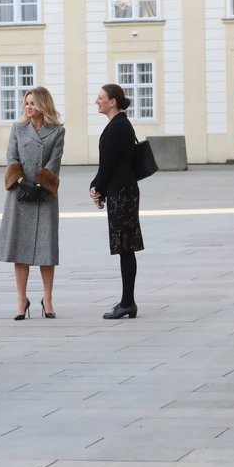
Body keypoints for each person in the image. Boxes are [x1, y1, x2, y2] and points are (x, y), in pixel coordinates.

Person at [0, 87, 65, 320]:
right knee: (20, 250)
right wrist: (23, 181)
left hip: (44, 194)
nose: (28, 107)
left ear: (43, 105)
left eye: (33, 103)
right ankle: (21, 300)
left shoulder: (57, 131)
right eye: (26, 103)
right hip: (20, 194)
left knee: (46, 249)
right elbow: (11, 157)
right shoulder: (17, 129)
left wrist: (40, 184)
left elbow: (55, 161)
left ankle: (48, 298)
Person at [89, 84, 144, 319]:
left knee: (126, 248)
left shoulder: (117, 126)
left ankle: (127, 302)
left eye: (100, 97)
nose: (96, 101)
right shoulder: (119, 124)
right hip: (123, 191)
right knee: (125, 248)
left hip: (122, 193)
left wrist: (96, 187)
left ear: (113, 102)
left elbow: (108, 164)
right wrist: (99, 188)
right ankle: (127, 301)